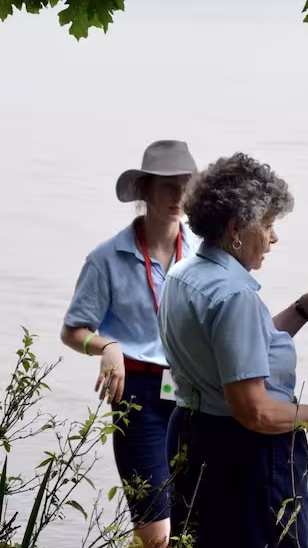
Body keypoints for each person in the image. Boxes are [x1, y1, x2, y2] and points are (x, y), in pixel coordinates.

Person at [159, 152, 308, 548]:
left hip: (191, 433)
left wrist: (304, 307)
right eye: (267, 224)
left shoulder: (183, 274)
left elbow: (235, 350)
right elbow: (255, 411)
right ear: (235, 228)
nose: (273, 237)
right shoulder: (235, 295)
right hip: (243, 456)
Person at [60, 140, 199, 548]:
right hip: (136, 398)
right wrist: (106, 346)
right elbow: (73, 329)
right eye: (167, 185)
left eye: (185, 185)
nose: (177, 196)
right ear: (144, 191)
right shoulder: (106, 258)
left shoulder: (201, 252)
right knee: (155, 530)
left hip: (193, 394)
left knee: (191, 522)